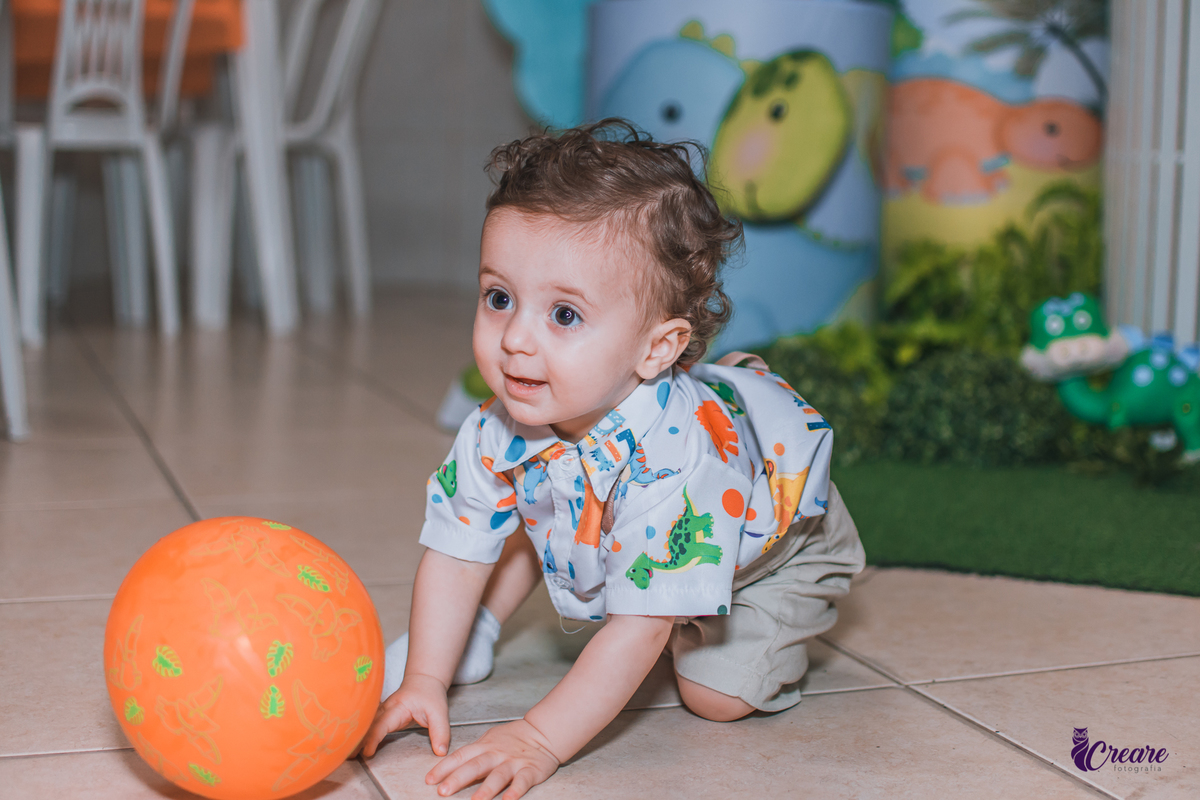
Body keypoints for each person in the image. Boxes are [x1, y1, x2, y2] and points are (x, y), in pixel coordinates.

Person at [360, 119, 865, 799]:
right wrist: (425, 677)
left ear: (656, 349)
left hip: (777, 542)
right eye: (499, 298)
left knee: (713, 696)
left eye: (564, 315)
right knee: (533, 495)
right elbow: (455, 550)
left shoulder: (676, 464)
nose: (515, 340)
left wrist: (538, 738)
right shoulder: (498, 424)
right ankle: (479, 628)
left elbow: (637, 628)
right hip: (628, 506)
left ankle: (714, 601)